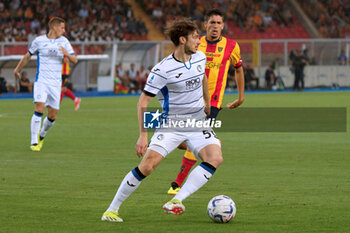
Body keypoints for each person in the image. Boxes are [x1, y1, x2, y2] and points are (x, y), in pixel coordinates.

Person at [101, 18, 223, 222]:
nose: (199, 41)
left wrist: (207, 101)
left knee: (215, 157)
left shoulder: (200, 57)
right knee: (147, 166)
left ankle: (177, 200)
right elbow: (143, 102)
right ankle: (111, 210)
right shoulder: (162, 70)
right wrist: (142, 135)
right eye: (195, 37)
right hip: (172, 124)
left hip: (196, 121)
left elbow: (202, 76)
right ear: (183, 40)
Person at [167, 9, 245, 195]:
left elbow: (239, 69)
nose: (215, 26)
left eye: (219, 23)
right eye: (212, 22)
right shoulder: (195, 42)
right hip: (188, 98)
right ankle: (212, 141)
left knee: (194, 135)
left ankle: (177, 184)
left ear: (223, 26)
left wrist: (241, 96)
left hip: (212, 103)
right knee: (179, 141)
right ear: (205, 25)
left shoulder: (232, 46)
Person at [13, 17, 77, 151]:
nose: (64, 31)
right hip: (41, 81)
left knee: (52, 116)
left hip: (55, 84)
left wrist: (66, 54)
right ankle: (34, 142)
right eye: (62, 28)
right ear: (54, 27)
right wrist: (17, 69)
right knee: (39, 108)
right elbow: (27, 56)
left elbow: (75, 59)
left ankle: (42, 135)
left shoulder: (64, 41)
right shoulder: (39, 41)